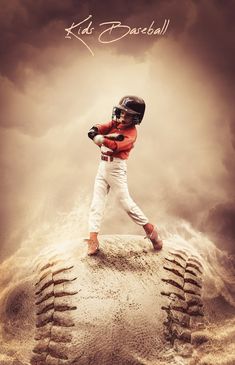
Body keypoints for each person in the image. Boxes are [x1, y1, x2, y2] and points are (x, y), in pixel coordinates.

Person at [86, 96, 163, 255]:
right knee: (96, 203)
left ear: (136, 117)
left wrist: (102, 140)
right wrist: (95, 130)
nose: (123, 116)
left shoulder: (131, 133)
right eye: (122, 112)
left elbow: (115, 145)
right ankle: (93, 239)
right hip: (103, 167)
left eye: (128, 114)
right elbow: (103, 126)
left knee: (126, 204)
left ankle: (151, 231)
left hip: (116, 169)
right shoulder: (116, 123)